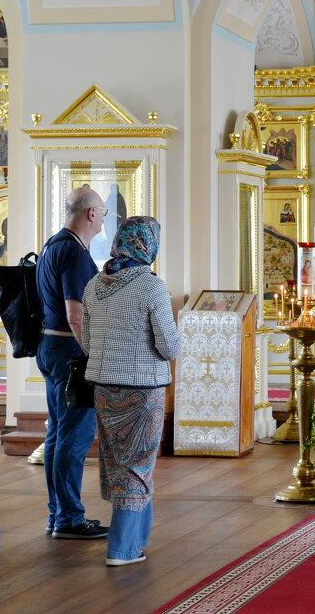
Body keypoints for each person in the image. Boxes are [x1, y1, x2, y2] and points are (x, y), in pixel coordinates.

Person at [82, 217, 181, 567]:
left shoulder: (94, 284)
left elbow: (88, 342)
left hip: (104, 386)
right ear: (148, 244)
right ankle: (121, 549)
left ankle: (136, 541)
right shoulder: (151, 286)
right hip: (143, 391)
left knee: (118, 463)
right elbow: (169, 347)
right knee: (137, 465)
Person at [34, 186, 108, 540]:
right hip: (71, 354)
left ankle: (57, 515)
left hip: (50, 348)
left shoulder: (52, 245)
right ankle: (68, 519)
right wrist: (96, 358)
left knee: (58, 434)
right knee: (75, 438)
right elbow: (76, 316)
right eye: (104, 213)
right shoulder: (76, 254)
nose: (104, 219)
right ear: (91, 213)